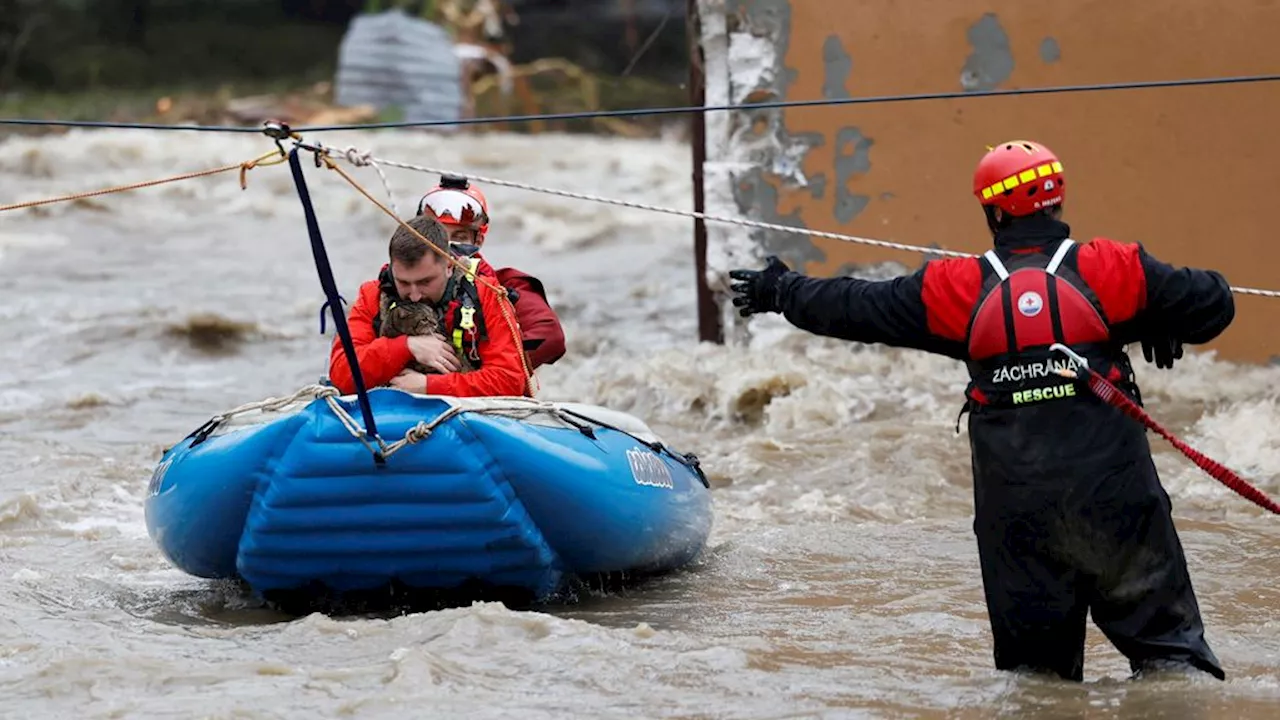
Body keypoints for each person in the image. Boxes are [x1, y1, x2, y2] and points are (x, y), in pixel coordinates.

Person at [727, 139, 1235, 682]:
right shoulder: (1115, 267)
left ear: (993, 211)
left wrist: (779, 290)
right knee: (1173, 665)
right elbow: (1215, 301)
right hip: (1118, 505)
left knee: (1036, 686)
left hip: (1018, 519)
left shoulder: (955, 287)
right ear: (1056, 202)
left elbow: (854, 306)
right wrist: (1154, 321)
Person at [327, 212, 531, 398]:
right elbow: (342, 374)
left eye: (425, 282)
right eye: (404, 283)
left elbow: (510, 381)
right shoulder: (372, 295)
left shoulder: (486, 294)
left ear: (449, 266)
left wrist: (429, 385)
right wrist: (405, 347)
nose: (414, 295)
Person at [416, 174, 567, 370]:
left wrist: (489, 368)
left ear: (477, 241)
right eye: (439, 236)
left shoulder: (508, 285)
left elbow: (550, 337)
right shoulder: (400, 281)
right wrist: (404, 347)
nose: (447, 247)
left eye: (459, 236)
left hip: (480, 390)